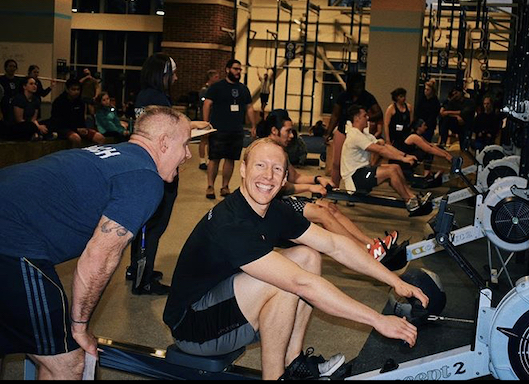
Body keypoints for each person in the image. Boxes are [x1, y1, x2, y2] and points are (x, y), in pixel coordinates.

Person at [162, 137, 429, 380]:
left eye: (277, 169)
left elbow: (334, 245)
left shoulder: (274, 209)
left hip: (225, 303)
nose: (268, 176)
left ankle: (294, 362)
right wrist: (377, 320)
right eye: (260, 166)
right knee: (286, 282)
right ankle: (276, 377)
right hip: (193, 328)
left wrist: (394, 280)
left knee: (308, 256)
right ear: (243, 170)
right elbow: (302, 284)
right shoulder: (230, 223)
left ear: (284, 178)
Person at [0, 106, 192, 380]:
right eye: (185, 144)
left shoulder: (112, 155)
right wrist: (78, 328)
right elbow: (97, 260)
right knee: (66, 362)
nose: (188, 154)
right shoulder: (145, 177)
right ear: (163, 143)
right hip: (10, 241)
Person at [257, 111, 401, 264]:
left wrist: (317, 178)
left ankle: (371, 244)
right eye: (288, 131)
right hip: (270, 207)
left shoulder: (280, 151)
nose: (292, 135)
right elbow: (279, 187)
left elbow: (295, 177)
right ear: (274, 131)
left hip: (281, 201)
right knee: (322, 213)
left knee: (330, 207)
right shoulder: (267, 152)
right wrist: (310, 188)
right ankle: (366, 252)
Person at [126, 53, 180, 296]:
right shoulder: (157, 98)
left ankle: (135, 268)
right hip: (157, 170)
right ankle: (143, 279)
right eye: (173, 74)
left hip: (145, 166)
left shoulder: (144, 96)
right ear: (163, 75)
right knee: (153, 226)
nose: (176, 78)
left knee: (144, 224)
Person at [340, 105, 431, 215]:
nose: (367, 118)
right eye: (364, 116)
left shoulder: (364, 134)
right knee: (391, 171)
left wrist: (405, 156)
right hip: (355, 178)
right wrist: (403, 159)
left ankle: (412, 197)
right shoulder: (355, 135)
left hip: (362, 171)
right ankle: (409, 202)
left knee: (395, 167)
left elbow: (385, 146)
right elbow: (380, 151)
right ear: (357, 118)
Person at [203, 58, 258, 199]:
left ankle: (225, 186)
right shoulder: (216, 87)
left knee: (230, 159)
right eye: (235, 69)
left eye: (240, 69)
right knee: (214, 158)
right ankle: (210, 186)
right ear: (227, 70)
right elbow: (207, 104)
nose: (238, 72)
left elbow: (249, 107)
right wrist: (205, 124)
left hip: (236, 130)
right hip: (218, 129)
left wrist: (253, 125)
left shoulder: (243, 89)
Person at [324, 72, 383, 187]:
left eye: (360, 86)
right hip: (343, 130)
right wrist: (328, 132)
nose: (359, 89)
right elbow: (335, 115)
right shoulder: (343, 97)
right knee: (337, 163)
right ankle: (334, 188)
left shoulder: (367, 97)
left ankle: (353, 188)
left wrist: (365, 118)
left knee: (358, 163)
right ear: (350, 86)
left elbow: (379, 113)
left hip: (359, 133)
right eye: (356, 87)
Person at [50, 78, 105, 146]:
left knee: (100, 137)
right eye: (73, 89)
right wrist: (76, 129)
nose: (76, 92)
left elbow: (81, 119)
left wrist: (83, 129)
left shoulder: (80, 102)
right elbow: (58, 121)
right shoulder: (59, 102)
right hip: (63, 128)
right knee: (76, 138)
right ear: (67, 90)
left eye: (78, 89)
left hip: (78, 128)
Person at [4, 77, 56, 141]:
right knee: (30, 126)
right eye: (31, 84)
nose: (34, 86)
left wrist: (38, 126)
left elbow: (34, 119)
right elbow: (19, 120)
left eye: (35, 84)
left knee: (50, 122)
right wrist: (37, 127)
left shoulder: (35, 100)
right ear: (24, 86)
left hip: (31, 124)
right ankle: (39, 135)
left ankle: (38, 134)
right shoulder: (19, 99)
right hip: (18, 125)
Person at [438, 86, 476, 150]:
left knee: (463, 141)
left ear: (461, 93)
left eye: (457, 93)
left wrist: (449, 113)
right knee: (444, 119)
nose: (455, 95)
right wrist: (456, 116)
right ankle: (443, 141)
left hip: (466, 124)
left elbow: (463, 112)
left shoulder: (469, 102)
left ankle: (464, 148)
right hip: (456, 124)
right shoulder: (453, 102)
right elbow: (445, 112)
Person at [198, 69, 220, 170]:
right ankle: (202, 160)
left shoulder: (215, 90)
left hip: (213, 118)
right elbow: (204, 105)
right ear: (210, 78)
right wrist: (204, 120)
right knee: (204, 139)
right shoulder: (204, 90)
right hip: (204, 118)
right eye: (216, 77)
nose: (218, 79)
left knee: (211, 140)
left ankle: (208, 159)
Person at [414, 79, 440, 143]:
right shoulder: (422, 99)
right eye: (425, 89)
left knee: (426, 142)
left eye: (428, 90)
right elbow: (417, 111)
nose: (425, 91)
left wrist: (426, 125)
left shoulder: (435, 102)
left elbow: (433, 115)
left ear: (432, 91)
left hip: (429, 126)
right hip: (419, 124)